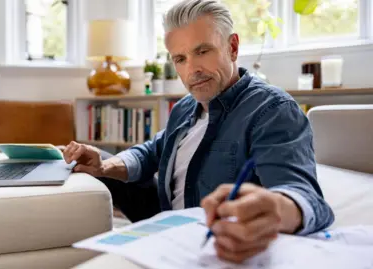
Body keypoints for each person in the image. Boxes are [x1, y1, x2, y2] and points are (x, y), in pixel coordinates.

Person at [63, 0, 334, 264]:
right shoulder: (184, 107)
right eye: (180, 59)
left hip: (210, 241)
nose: (192, 69)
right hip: (165, 222)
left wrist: (277, 209)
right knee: (96, 165)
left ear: (233, 47)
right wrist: (104, 164)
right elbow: (151, 151)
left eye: (202, 51)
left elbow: (305, 197)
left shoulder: (272, 110)